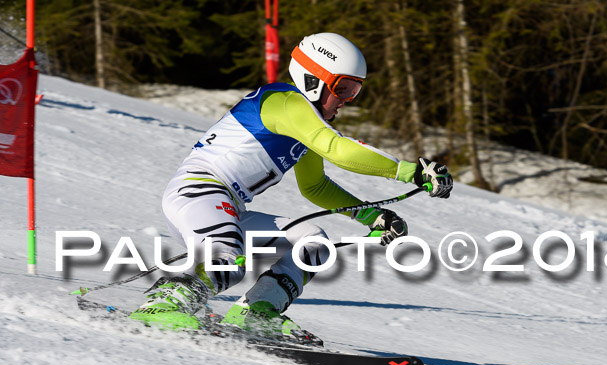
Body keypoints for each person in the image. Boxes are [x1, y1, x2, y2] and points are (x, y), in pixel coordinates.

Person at [130, 32, 453, 345]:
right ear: (313, 79)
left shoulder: (305, 123)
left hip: (224, 205)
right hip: (198, 192)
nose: (346, 101)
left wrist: (371, 215)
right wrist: (412, 172)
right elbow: (339, 149)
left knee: (313, 243)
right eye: (343, 88)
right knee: (229, 258)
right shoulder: (286, 102)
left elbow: (314, 186)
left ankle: (257, 312)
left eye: (354, 91)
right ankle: (162, 304)